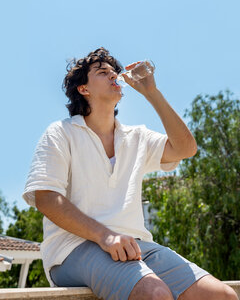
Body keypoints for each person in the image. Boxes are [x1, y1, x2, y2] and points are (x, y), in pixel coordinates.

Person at [23, 48, 237, 300]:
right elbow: (46, 198)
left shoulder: (136, 137)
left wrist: (151, 92)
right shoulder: (61, 133)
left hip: (136, 246)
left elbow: (185, 149)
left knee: (223, 295)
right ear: (84, 89)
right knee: (155, 294)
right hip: (72, 249)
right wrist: (106, 236)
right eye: (103, 72)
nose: (113, 75)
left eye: (114, 71)